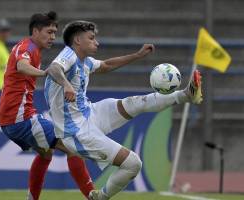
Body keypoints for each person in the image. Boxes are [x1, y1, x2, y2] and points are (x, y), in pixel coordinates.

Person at [44, 20, 203, 200]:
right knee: (133, 164)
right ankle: (100, 197)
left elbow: (106, 66)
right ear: (78, 40)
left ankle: (185, 95)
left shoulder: (85, 61)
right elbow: (53, 68)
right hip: (76, 131)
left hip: (90, 113)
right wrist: (66, 85)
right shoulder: (68, 55)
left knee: (135, 103)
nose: (97, 42)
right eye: (92, 38)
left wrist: (137, 55)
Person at [0, 12, 95, 200]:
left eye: (55, 33)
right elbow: (22, 66)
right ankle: (92, 195)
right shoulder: (27, 47)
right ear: (35, 31)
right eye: (49, 32)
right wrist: (45, 73)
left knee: (46, 153)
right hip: (20, 118)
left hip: (14, 118)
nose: (52, 37)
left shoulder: (33, 49)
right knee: (72, 147)